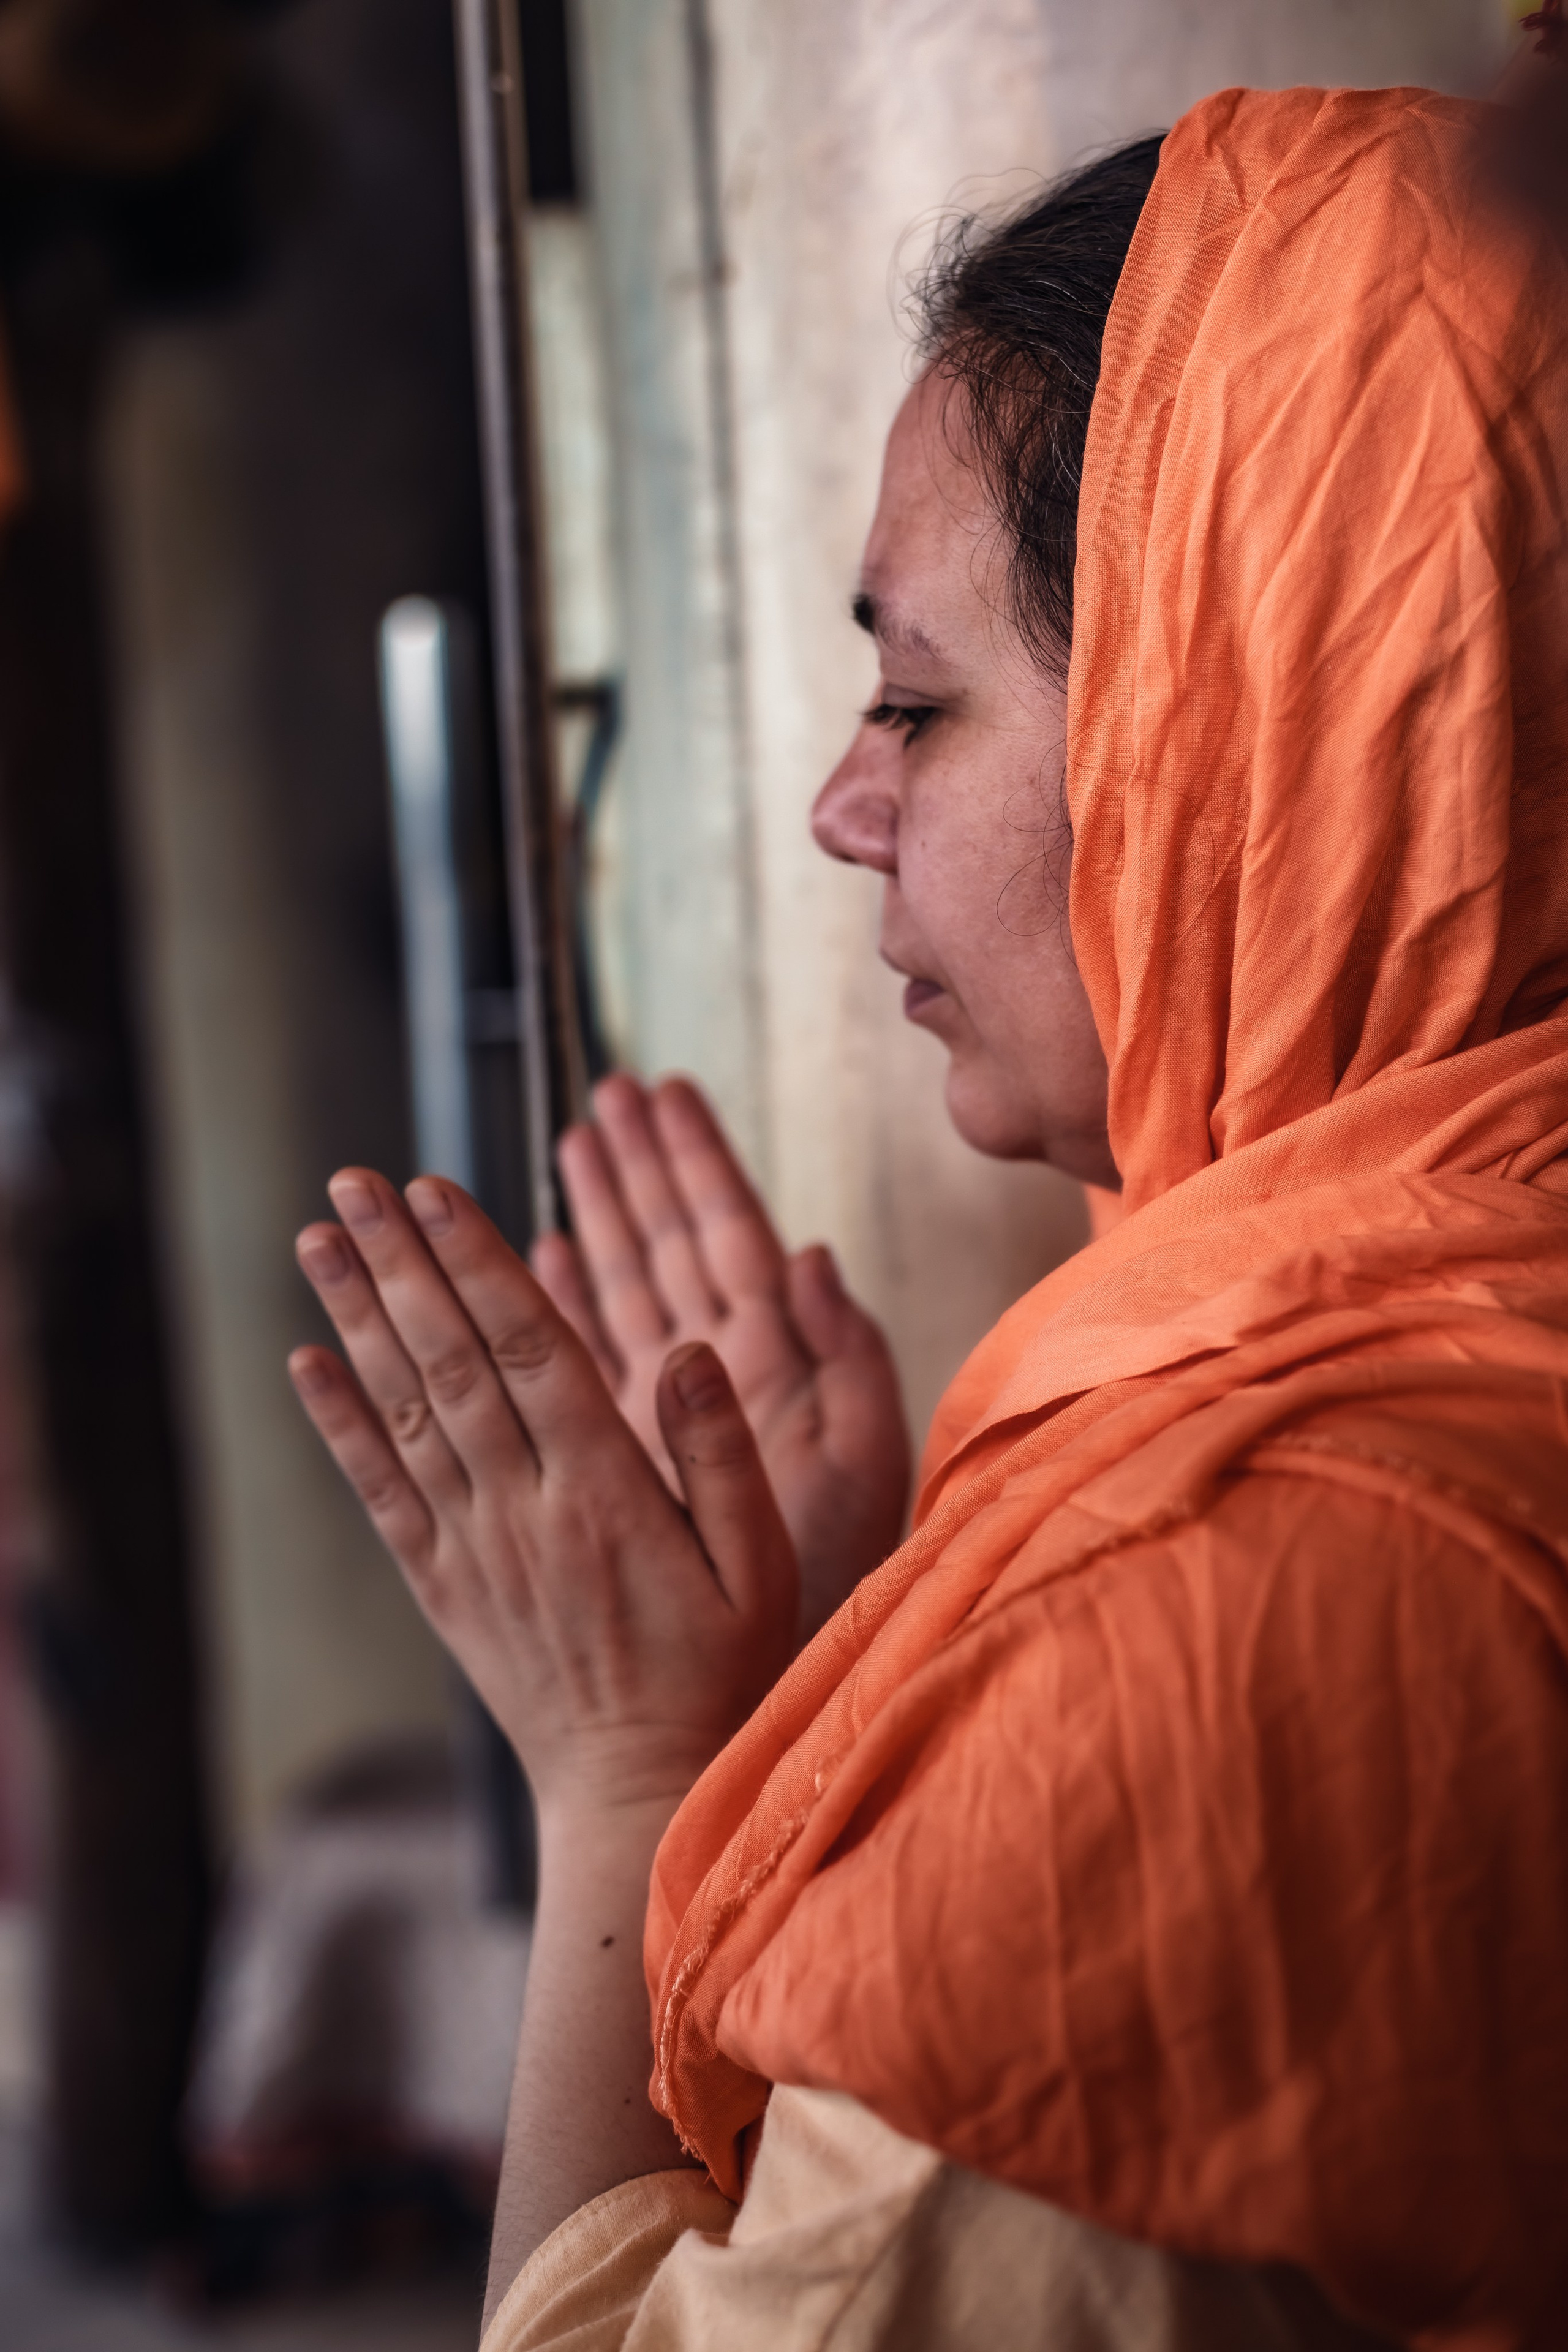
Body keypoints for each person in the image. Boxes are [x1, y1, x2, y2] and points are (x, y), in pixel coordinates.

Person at [288, 77, 1568, 2352]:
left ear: (1262, 707)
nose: (837, 808)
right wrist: (888, 1642)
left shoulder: (1232, 1665)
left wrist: (631, 1775)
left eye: (917, 696)